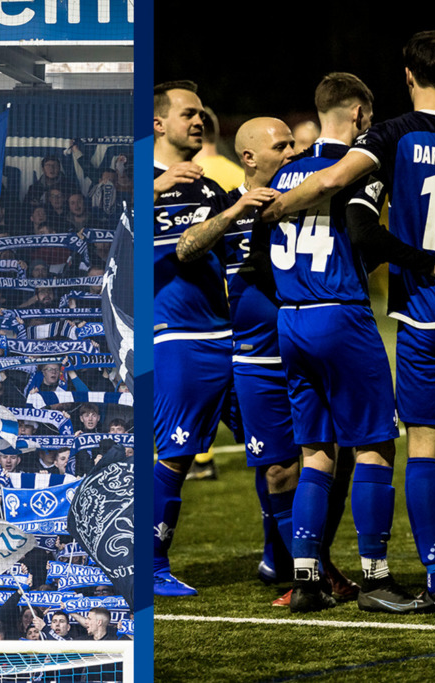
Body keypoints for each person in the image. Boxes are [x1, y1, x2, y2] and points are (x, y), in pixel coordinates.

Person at [263, 31, 435, 613]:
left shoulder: (391, 135)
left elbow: (338, 185)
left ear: (409, 77)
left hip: (421, 312)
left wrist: (277, 205)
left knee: (421, 449)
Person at [152, 79, 278, 597]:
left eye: (202, 112)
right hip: (177, 336)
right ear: (158, 123)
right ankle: (151, 565)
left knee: (272, 450)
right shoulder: (134, 180)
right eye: (188, 113)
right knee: (176, 453)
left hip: (231, 336)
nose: (199, 119)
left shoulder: (208, 188)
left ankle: (279, 557)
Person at [221, 115, 310, 603]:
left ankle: (284, 556)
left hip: (306, 351)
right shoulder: (222, 208)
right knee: (274, 464)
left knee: (316, 462)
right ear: (250, 157)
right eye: (283, 146)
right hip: (254, 360)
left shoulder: (304, 200)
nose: (293, 151)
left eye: (294, 143)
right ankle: (294, 563)